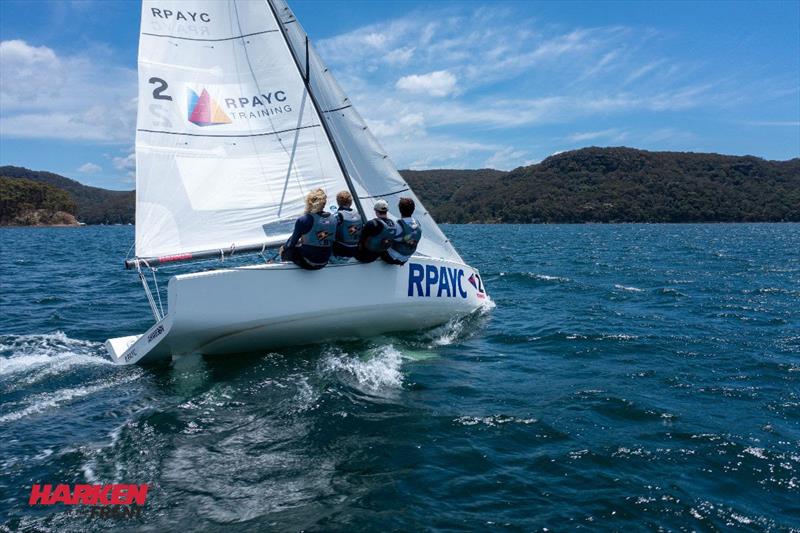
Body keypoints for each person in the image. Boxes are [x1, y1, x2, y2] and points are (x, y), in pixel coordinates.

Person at [280, 188, 338, 270]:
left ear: (309, 202)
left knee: (286, 250)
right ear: (324, 203)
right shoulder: (334, 219)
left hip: (309, 262)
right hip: (324, 261)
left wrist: (283, 248)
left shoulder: (304, 219)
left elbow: (292, 243)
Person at [382, 197, 422, 265]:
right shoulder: (418, 224)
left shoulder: (397, 226)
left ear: (400, 210)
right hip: (405, 258)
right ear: (413, 209)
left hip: (392, 258)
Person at [355, 199, 397, 263]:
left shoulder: (372, 224)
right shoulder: (393, 225)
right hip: (378, 255)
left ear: (376, 211)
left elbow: (360, 239)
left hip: (364, 257)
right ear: (386, 211)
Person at [332, 191, 362, 258]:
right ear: (351, 202)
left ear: (338, 202)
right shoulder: (358, 214)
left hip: (341, 249)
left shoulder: (337, 215)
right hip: (355, 249)